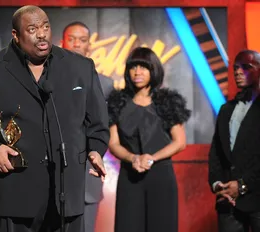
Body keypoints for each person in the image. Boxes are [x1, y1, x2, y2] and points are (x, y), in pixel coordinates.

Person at [0, 5, 109, 232]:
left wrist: (95, 149)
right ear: (16, 35)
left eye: (46, 27)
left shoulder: (80, 68)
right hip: (8, 196)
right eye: (33, 29)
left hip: (64, 197)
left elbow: (96, 120)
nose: (42, 34)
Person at [107, 47, 190, 232]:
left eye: (143, 67)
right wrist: (133, 158)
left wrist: (151, 158)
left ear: (154, 70)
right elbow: (113, 143)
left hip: (160, 175)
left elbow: (179, 142)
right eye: (133, 67)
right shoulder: (117, 102)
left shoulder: (166, 101)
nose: (137, 72)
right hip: (130, 176)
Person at [61, 21, 114, 232]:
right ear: (61, 42)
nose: (76, 44)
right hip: (53, 173)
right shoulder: (43, 78)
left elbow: (105, 128)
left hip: (87, 173)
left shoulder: (106, 84)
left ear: (89, 46)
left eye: (82, 40)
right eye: (71, 39)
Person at [208, 50, 260, 232]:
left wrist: (243, 185)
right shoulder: (226, 109)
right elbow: (216, 152)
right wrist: (217, 184)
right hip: (227, 201)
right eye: (236, 68)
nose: (238, 72)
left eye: (246, 67)